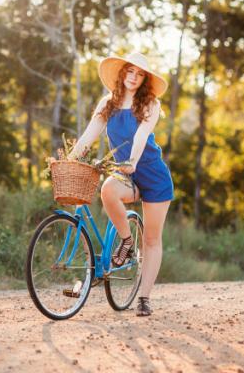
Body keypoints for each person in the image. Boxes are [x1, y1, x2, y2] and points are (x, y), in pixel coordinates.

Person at [66, 52, 174, 317]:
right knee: (107, 190)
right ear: (121, 73)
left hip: (151, 174)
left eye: (139, 74)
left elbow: (140, 136)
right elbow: (88, 136)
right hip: (125, 173)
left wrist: (133, 161)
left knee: (151, 239)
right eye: (130, 71)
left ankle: (144, 298)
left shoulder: (150, 103)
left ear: (144, 79)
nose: (133, 78)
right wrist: (69, 160)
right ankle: (126, 241)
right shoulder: (108, 103)